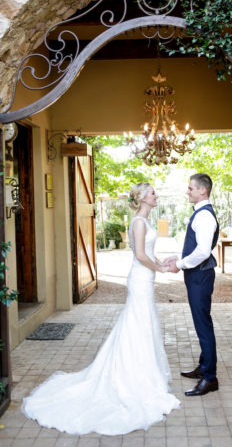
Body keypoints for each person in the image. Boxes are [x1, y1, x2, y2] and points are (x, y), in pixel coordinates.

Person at [22, 182, 180, 435]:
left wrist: (163, 262)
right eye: (152, 193)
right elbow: (139, 255)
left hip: (146, 279)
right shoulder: (139, 222)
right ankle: (131, 378)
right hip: (140, 279)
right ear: (142, 199)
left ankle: (142, 373)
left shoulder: (145, 221)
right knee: (137, 324)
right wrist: (160, 268)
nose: (156, 195)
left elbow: (149, 251)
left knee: (142, 324)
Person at [165, 173, 219, 396]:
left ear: (202, 190)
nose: (187, 191)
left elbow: (203, 252)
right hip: (196, 275)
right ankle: (203, 366)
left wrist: (180, 264)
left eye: (190, 188)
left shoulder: (204, 217)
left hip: (200, 276)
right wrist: (177, 258)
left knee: (203, 326)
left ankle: (210, 378)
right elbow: (195, 247)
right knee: (201, 323)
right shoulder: (200, 214)